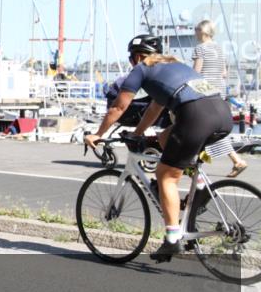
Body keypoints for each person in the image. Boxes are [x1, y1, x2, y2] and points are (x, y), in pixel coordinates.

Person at [85, 34, 232, 261]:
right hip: (222, 114)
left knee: (165, 175)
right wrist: (137, 134)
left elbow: (118, 106)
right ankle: (198, 190)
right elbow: (154, 109)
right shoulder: (173, 65)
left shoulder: (142, 69)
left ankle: (172, 239)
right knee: (165, 137)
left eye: (132, 58)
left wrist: (98, 134)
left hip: (196, 116)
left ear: (137, 56)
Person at [192, 19, 246, 177]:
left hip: (204, 90)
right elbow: (223, 73)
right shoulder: (218, 48)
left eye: (196, 29)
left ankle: (236, 160)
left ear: (202, 31)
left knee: (200, 126)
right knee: (211, 127)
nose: (194, 32)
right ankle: (197, 161)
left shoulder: (200, 49)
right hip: (219, 91)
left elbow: (195, 73)